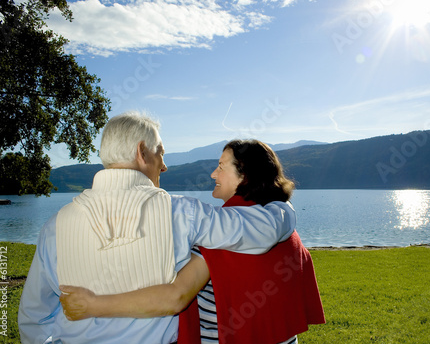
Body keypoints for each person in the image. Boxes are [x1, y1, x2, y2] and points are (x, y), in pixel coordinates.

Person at [18, 113, 296, 344]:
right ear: (142, 152)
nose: (163, 166)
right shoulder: (183, 213)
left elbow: (34, 318)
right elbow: (265, 230)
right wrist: (283, 207)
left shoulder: (54, 226)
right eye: (160, 153)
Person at [59, 139, 325, 344]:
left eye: (221, 166)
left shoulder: (222, 236)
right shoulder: (288, 231)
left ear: (245, 175)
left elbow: (175, 297)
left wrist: (93, 305)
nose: (213, 174)